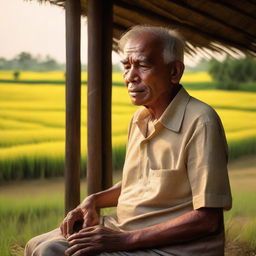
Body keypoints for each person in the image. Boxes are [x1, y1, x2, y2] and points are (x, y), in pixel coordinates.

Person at [25, 25, 232, 256]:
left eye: (143, 65)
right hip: (127, 230)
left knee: (52, 251)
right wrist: (93, 201)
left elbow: (207, 220)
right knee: (35, 244)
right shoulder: (139, 119)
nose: (130, 77)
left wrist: (121, 240)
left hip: (173, 248)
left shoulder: (201, 121)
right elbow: (141, 183)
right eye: (126, 66)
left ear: (174, 72)